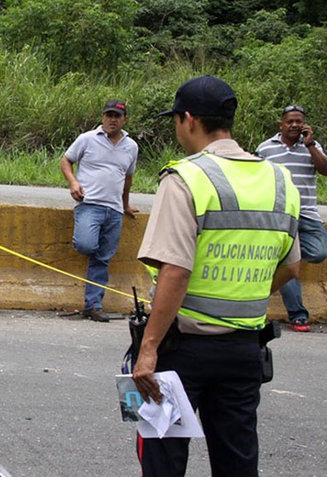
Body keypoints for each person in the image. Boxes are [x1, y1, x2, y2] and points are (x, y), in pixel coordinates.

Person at [132, 75, 301, 476]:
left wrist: (149, 348)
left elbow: (175, 270)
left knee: (164, 458)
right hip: (244, 349)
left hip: (181, 349)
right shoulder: (280, 181)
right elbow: (293, 266)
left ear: (188, 119)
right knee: (237, 461)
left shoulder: (185, 177)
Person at [59, 99, 139, 322]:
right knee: (86, 244)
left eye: (117, 116)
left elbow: (128, 177)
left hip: (114, 209)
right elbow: (65, 160)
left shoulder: (131, 146)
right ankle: (92, 302)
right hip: (90, 204)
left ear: (124, 119)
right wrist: (73, 183)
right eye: (108, 115)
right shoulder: (87, 139)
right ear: (103, 117)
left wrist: (125, 204)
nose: (112, 119)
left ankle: (93, 305)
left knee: (103, 259)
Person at [255, 105, 327, 332]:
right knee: (289, 259)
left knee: (319, 252)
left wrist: (311, 145)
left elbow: (325, 170)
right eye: (290, 121)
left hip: (306, 213)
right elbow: (256, 177)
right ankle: (298, 316)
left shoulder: (312, 147)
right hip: (280, 214)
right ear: (281, 124)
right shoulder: (266, 148)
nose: (295, 125)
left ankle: (279, 259)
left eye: (299, 121)